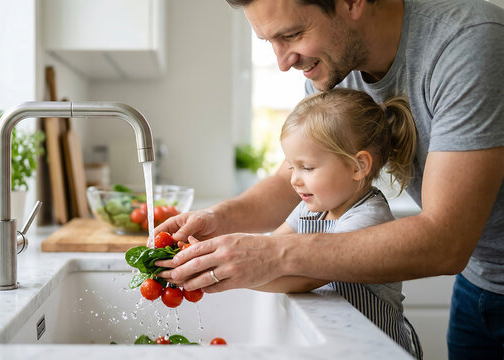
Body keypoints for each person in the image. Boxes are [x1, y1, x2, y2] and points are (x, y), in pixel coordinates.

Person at [154, 0, 504, 358]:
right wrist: (218, 219)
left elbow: (445, 240)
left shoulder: (469, 43)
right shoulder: (338, 66)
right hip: (478, 280)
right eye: (269, 43)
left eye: (291, 35)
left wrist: (268, 256)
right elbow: (290, 179)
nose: (282, 61)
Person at [256, 88, 422, 357]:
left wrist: (231, 277)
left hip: (379, 350)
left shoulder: (369, 218)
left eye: (306, 167)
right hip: (340, 342)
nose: (294, 180)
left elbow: (303, 277)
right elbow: (269, 249)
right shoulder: (310, 208)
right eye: (291, 166)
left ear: (358, 166)